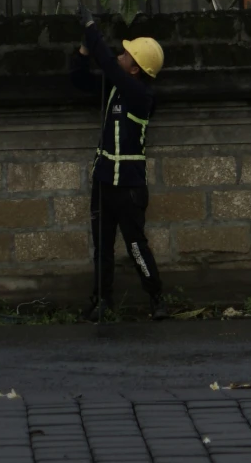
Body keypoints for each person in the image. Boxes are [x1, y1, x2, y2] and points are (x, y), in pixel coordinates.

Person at [70, 16, 167, 321]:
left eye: (126, 56)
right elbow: (79, 79)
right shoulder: (114, 88)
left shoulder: (141, 97)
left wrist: (91, 28)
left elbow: (110, 66)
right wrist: (85, 48)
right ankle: (102, 300)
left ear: (136, 69)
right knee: (103, 248)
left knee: (136, 245)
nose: (119, 57)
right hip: (103, 182)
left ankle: (157, 298)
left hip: (128, 187)